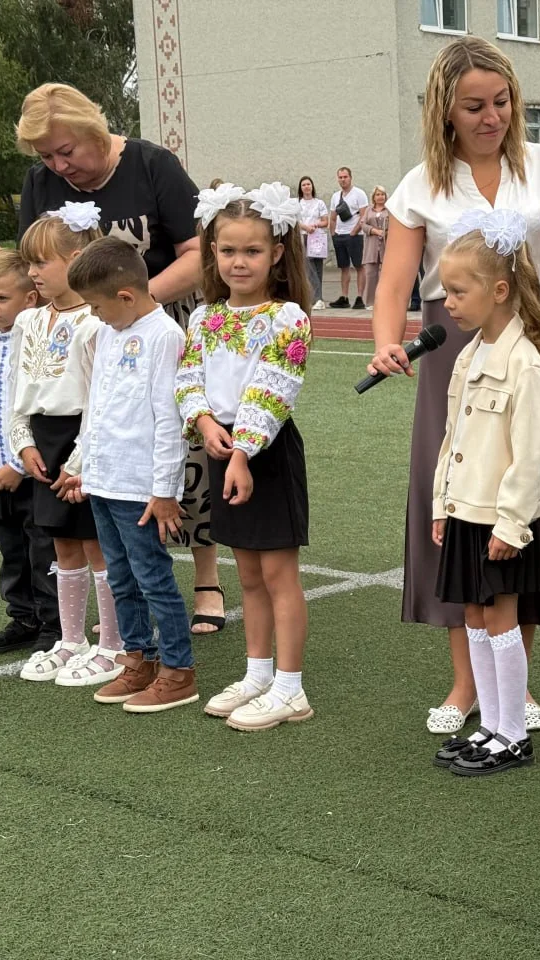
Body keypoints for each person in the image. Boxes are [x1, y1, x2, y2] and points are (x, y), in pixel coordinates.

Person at [367, 36, 540, 736]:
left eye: (501, 102)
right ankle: (466, 684)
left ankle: (513, 683)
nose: (491, 116)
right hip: (453, 346)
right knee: (460, 499)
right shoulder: (420, 185)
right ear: (445, 109)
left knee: (526, 492)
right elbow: (395, 283)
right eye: (474, 106)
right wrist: (385, 341)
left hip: (538, 339)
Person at [15, 82, 225, 635]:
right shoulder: (41, 183)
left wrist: (134, 304)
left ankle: (206, 578)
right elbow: (31, 258)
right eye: (47, 157)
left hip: (159, 320)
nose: (60, 166)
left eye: (67, 151)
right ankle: (123, 589)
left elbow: (198, 254)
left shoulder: (153, 165)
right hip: (88, 334)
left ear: (92, 129)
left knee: (181, 447)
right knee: (105, 444)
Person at [429, 209, 540, 776]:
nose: (448, 303)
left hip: (504, 518)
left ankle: (513, 734)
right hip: (469, 509)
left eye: (458, 291)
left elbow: (530, 455)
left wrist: (511, 524)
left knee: (500, 617)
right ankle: (491, 723)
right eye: (446, 291)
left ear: (500, 291)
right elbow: (453, 438)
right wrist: (443, 504)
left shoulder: (524, 364)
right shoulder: (470, 353)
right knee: (474, 614)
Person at [176, 183, 314, 732]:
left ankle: (290, 688)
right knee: (249, 574)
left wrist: (242, 453)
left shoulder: (287, 318)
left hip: (265, 452)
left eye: (252, 251)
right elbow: (188, 378)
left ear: (276, 253)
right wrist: (205, 423)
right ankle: (258, 674)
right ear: (212, 251)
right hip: (222, 447)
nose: (239, 261)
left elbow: (272, 389)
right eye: (228, 250)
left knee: (278, 574)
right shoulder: (202, 317)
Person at [66, 237, 196, 712]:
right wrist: (81, 463)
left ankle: (178, 670)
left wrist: (164, 490)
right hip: (104, 480)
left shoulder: (164, 336)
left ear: (125, 296)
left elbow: (169, 419)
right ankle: (139, 658)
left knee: (152, 578)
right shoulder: (107, 333)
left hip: (140, 487)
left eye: (97, 306)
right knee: (120, 578)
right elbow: (97, 405)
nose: (94, 314)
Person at [8, 204, 119, 685]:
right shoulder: (28, 321)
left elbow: (99, 398)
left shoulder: (95, 324)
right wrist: (22, 441)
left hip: (83, 441)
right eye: (28, 263)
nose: (32, 272)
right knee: (62, 546)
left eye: (41, 262)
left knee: (97, 547)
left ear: (76, 259)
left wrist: (80, 459)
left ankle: (113, 644)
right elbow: (17, 388)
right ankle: (72, 640)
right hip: (43, 441)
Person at [0, 251, 60, 657]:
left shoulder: (38, 349)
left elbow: (44, 413)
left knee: (43, 549)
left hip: (34, 474)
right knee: (11, 549)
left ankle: (54, 624)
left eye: (1, 298)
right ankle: (23, 616)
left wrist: (18, 465)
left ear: (30, 298)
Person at [329, 166, 369, 309]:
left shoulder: (359, 194)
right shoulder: (335, 196)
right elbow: (332, 217)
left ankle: (360, 297)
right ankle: (344, 297)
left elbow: (364, 215)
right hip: (339, 235)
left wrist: (354, 231)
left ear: (350, 177)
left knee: (359, 266)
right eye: (340, 177)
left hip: (355, 235)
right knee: (344, 267)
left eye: (345, 177)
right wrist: (333, 233)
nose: (343, 180)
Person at [297, 175, 329, 312]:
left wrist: (316, 224)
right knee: (309, 268)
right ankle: (316, 298)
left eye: (308, 184)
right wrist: (306, 227)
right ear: (301, 188)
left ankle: (318, 298)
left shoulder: (319, 203)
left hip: (317, 237)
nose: (306, 187)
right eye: (304, 185)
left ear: (312, 186)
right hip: (304, 236)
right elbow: (295, 221)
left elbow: (325, 221)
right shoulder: (297, 204)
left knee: (317, 268)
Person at [358, 186, 390, 307]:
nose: (380, 197)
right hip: (371, 246)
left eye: (382, 194)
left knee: (386, 275)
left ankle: (385, 301)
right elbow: (363, 225)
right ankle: (370, 302)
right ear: (373, 197)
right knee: (371, 274)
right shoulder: (368, 210)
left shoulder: (389, 210)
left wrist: (385, 232)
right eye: (378, 194)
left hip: (386, 246)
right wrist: (374, 231)